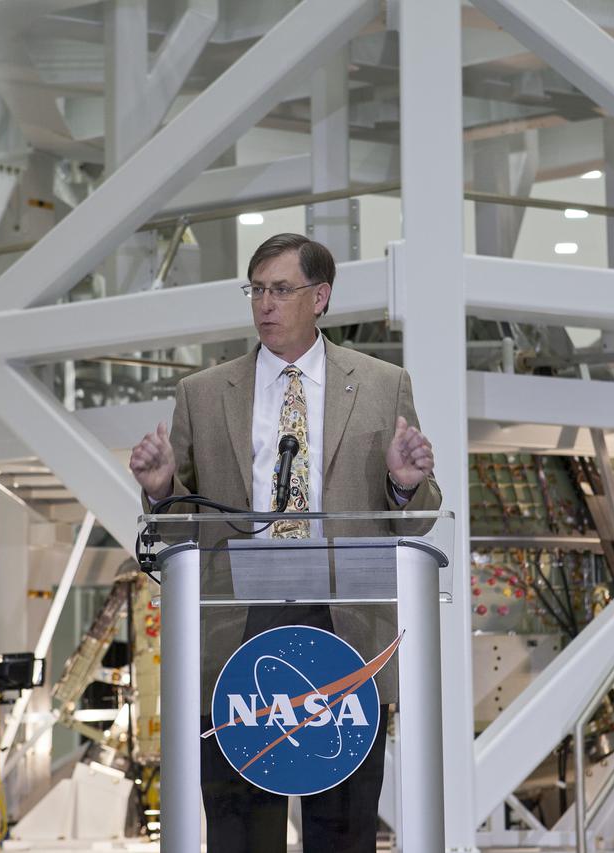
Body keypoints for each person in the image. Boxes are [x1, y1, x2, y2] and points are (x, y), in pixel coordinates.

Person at [129, 232, 441, 852]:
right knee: (239, 820)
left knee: (344, 822)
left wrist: (405, 486)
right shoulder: (202, 391)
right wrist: (162, 487)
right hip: (237, 623)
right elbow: (176, 520)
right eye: (256, 290)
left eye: (281, 289)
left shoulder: (384, 384)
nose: (265, 304)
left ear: (320, 297)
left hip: (345, 627)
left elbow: (420, 518)